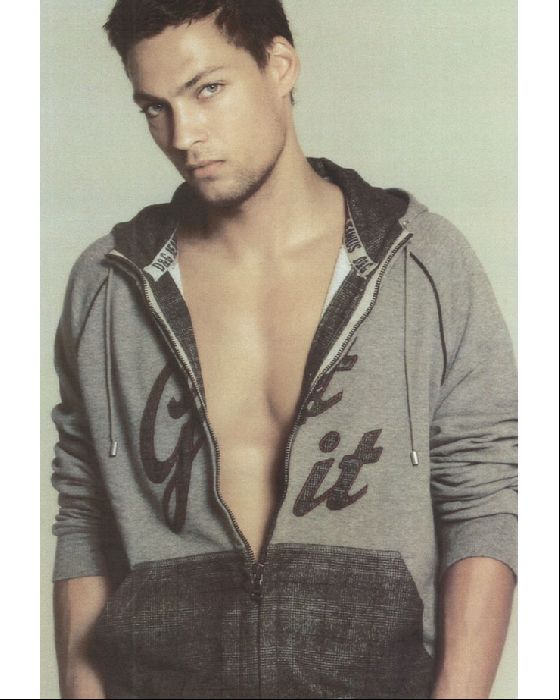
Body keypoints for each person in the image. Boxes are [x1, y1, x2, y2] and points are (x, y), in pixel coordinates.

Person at [50, 1, 518, 698]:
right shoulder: (110, 283)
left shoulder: (421, 262)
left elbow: (483, 497)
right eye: (155, 108)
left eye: (208, 89)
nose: (184, 135)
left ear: (279, 66)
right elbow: (85, 514)